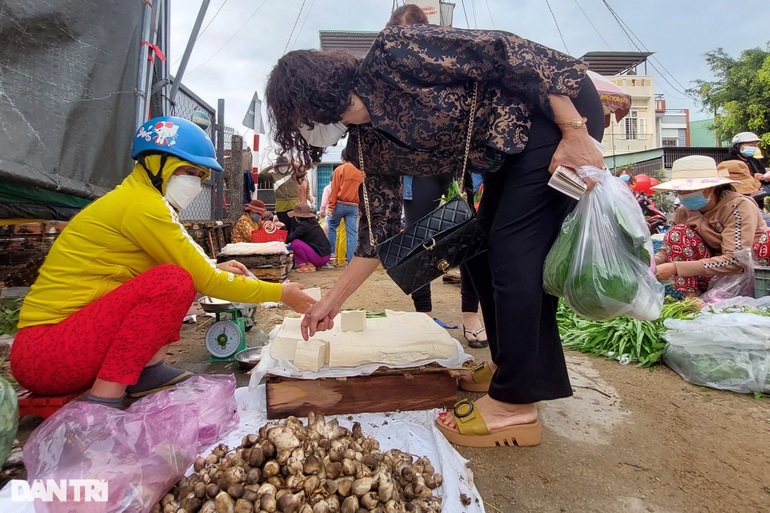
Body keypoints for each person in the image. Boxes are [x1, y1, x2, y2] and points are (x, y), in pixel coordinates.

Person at [266, 24, 606, 447]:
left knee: (514, 252)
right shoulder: (367, 144)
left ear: (315, 98)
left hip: (553, 110)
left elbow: (509, 52)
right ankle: (509, 367)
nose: (305, 131)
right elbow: (379, 236)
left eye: (299, 120)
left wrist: (575, 132)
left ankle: (516, 406)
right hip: (511, 149)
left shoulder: (396, 55)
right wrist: (329, 304)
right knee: (478, 249)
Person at [10, 116, 315, 406]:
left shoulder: (139, 200)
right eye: (189, 172)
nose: (195, 184)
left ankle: (146, 373)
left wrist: (214, 266)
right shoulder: (142, 205)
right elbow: (204, 281)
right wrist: (281, 293)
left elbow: (188, 267)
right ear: (157, 164)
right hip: (47, 353)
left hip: (59, 345)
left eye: (201, 176)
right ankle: (102, 404)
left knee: (177, 277)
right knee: (174, 281)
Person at [387, 3, 487, 349]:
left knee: (469, 235)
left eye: (413, 36)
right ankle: (423, 315)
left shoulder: (446, 63)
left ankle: (471, 314)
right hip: (416, 167)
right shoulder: (389, 72)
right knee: (418, 240)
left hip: (456, 162)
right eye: (400, 37)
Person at [652, 155, 770, 295]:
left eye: (689, 190)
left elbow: (736, 260)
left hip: (744, 275)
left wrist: (675, 268)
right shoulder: (684, 212)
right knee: (678, 233)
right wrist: (651, 264)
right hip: (708, 275)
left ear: (711, 188)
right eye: (679, 190)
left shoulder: (738, 207)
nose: (683, 194)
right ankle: (691, 299)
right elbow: (667, 249)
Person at [325, 149, 362, 264]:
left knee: (331, 226)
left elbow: (334, 189)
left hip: (340, 203)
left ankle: (330, 255)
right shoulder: (360, 172)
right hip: (354, 206)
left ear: (342, 157)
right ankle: (351, 261)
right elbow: (362, 192)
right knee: (352, 233)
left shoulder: (339, 170)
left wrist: (331, 206)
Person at [287, 202, 332, 272]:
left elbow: (289, 239)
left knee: (295, 243)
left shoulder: (303, 226)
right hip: (326, 256)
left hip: (320, 258)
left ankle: (309, 265)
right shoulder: (313, 223)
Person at [261, 155, 300, 235]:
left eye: (284, 165)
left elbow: (303, 171)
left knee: (296, 228)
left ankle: (295, 243)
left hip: (294, 205)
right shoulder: (273, 175)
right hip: (281, 207)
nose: (283, 167)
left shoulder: (293, 174)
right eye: (280, 165)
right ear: (277, 167)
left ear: (288, 166)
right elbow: (261, 174)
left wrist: (294, 164)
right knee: (285, 228)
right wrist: (271, 166)